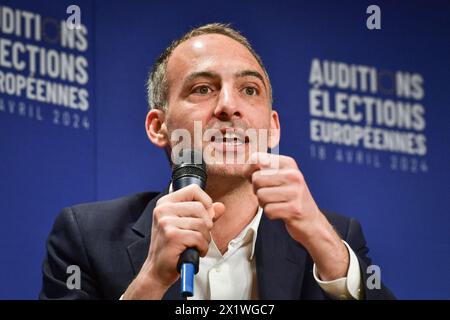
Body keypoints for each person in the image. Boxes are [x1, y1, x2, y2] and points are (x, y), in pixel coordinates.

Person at [40, 23, 394, 300]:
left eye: (249, 90)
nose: (228, 105)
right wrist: (150, 280)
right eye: (203, 89)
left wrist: (323, 243)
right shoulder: (85, 237)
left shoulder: (334, 237)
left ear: (272, 129)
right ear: (158, 127)